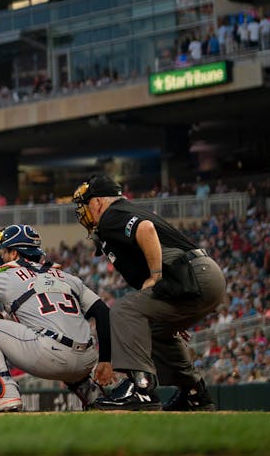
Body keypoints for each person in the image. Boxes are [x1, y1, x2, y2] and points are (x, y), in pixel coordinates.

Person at [72, 174, 227, 411]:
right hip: (195, 279)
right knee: (154, 330)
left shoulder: (112, 214)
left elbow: (146, 229)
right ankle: (194, 394)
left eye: (85, 203)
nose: (83, 211)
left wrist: (155, 275)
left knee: (123, 310)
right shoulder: (118, 216)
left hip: (193, 275)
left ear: (98, 202)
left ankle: (140, 389)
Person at [0, 224, 110, 412]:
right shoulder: (67, 277)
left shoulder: (8, 276)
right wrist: (106, 360)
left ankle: (2, 394)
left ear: (14, 254)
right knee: (61, 336)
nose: (0, 256)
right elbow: (103, 312)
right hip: (87, 360)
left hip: (50, 356)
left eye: (4, 251)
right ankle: (94, 396)